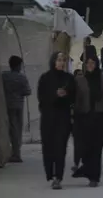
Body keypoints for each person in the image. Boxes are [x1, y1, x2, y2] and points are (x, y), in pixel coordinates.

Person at [73, 55, 103, 187]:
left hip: (100, 117)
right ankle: (86, 168)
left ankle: (94, 177)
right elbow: (75, 99)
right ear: (84, 65)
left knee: (97, 148)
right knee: (85, 147)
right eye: (88, 63)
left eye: (93, 63)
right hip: (84, 117)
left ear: (97, 64)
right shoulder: (79, 80)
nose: (90, 65)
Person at [37, 52, 76, 190]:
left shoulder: (69, 79)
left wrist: (66, 95)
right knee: (49, 148)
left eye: (63, 60)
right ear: (53, 61)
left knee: (60, 148)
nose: (61, 63)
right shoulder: (45, 78)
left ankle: (58, 177)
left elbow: (74, 98)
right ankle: (50, 174)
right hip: (48, 118)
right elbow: (41, 98)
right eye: (59, 60)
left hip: (63, 118)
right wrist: (55, 95)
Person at [2, 55, 32, 163]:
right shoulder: (22, 77)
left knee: (11, 129)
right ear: (18, 65)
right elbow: (28, 91)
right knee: (17, 129)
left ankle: (13, 152)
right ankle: (16, 153)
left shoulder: (4, 76)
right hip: (19, 106)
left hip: (7, 105)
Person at [72, 69, 84, 172]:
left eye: (81, 75)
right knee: (77, 143)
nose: (80, 77)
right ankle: (76, 163)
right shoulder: (72, 89)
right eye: (78, 75)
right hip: (76, 119)